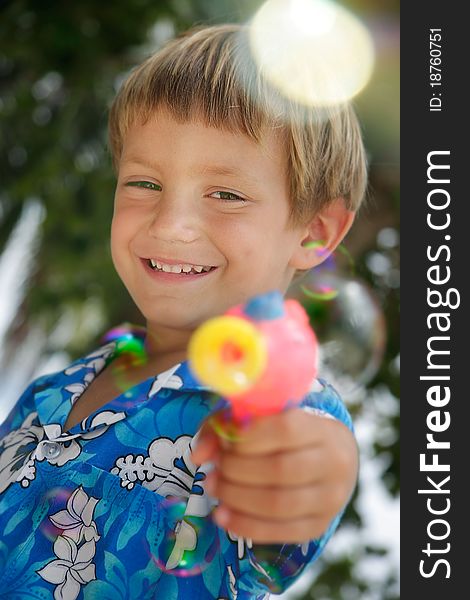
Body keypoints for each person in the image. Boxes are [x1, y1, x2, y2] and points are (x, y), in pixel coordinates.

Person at [0, 23, 366, 599]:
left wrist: (324, 468)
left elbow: (309, 465)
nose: (170, 225)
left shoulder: (272, 407)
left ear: (315, 232)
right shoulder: (51, 391)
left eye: (226, 194)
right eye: (144, 183)